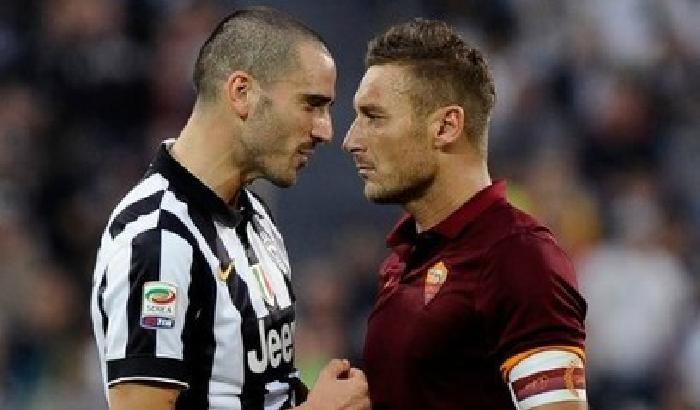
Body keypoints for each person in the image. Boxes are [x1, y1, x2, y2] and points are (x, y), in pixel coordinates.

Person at [90, 7, 370, 410]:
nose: (325, 130)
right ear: (241, 92)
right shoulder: (157, 238)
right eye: (311, 104)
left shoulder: (257, 219)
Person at [343, 18, 588, 410]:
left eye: (374, 117)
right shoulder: (399, 263)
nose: (351, 140)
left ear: (446, 126)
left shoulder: (519, 257)